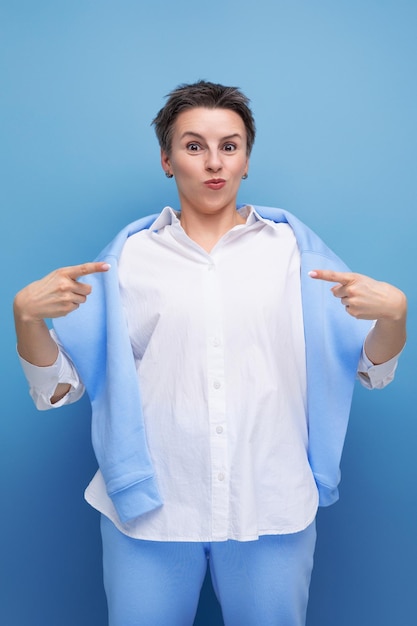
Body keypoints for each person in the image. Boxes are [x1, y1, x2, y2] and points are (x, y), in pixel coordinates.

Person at [13, 80, 407, 626]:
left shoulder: (296, 253)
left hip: (271, 502)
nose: (213, 162)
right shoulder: (128, 259)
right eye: (193, 145)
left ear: (247, 158)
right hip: (151, 512)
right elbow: (58, 387)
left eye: (230, 145)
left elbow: (369, 368)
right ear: (167, 160)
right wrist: (26, 319)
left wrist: (395, 317)